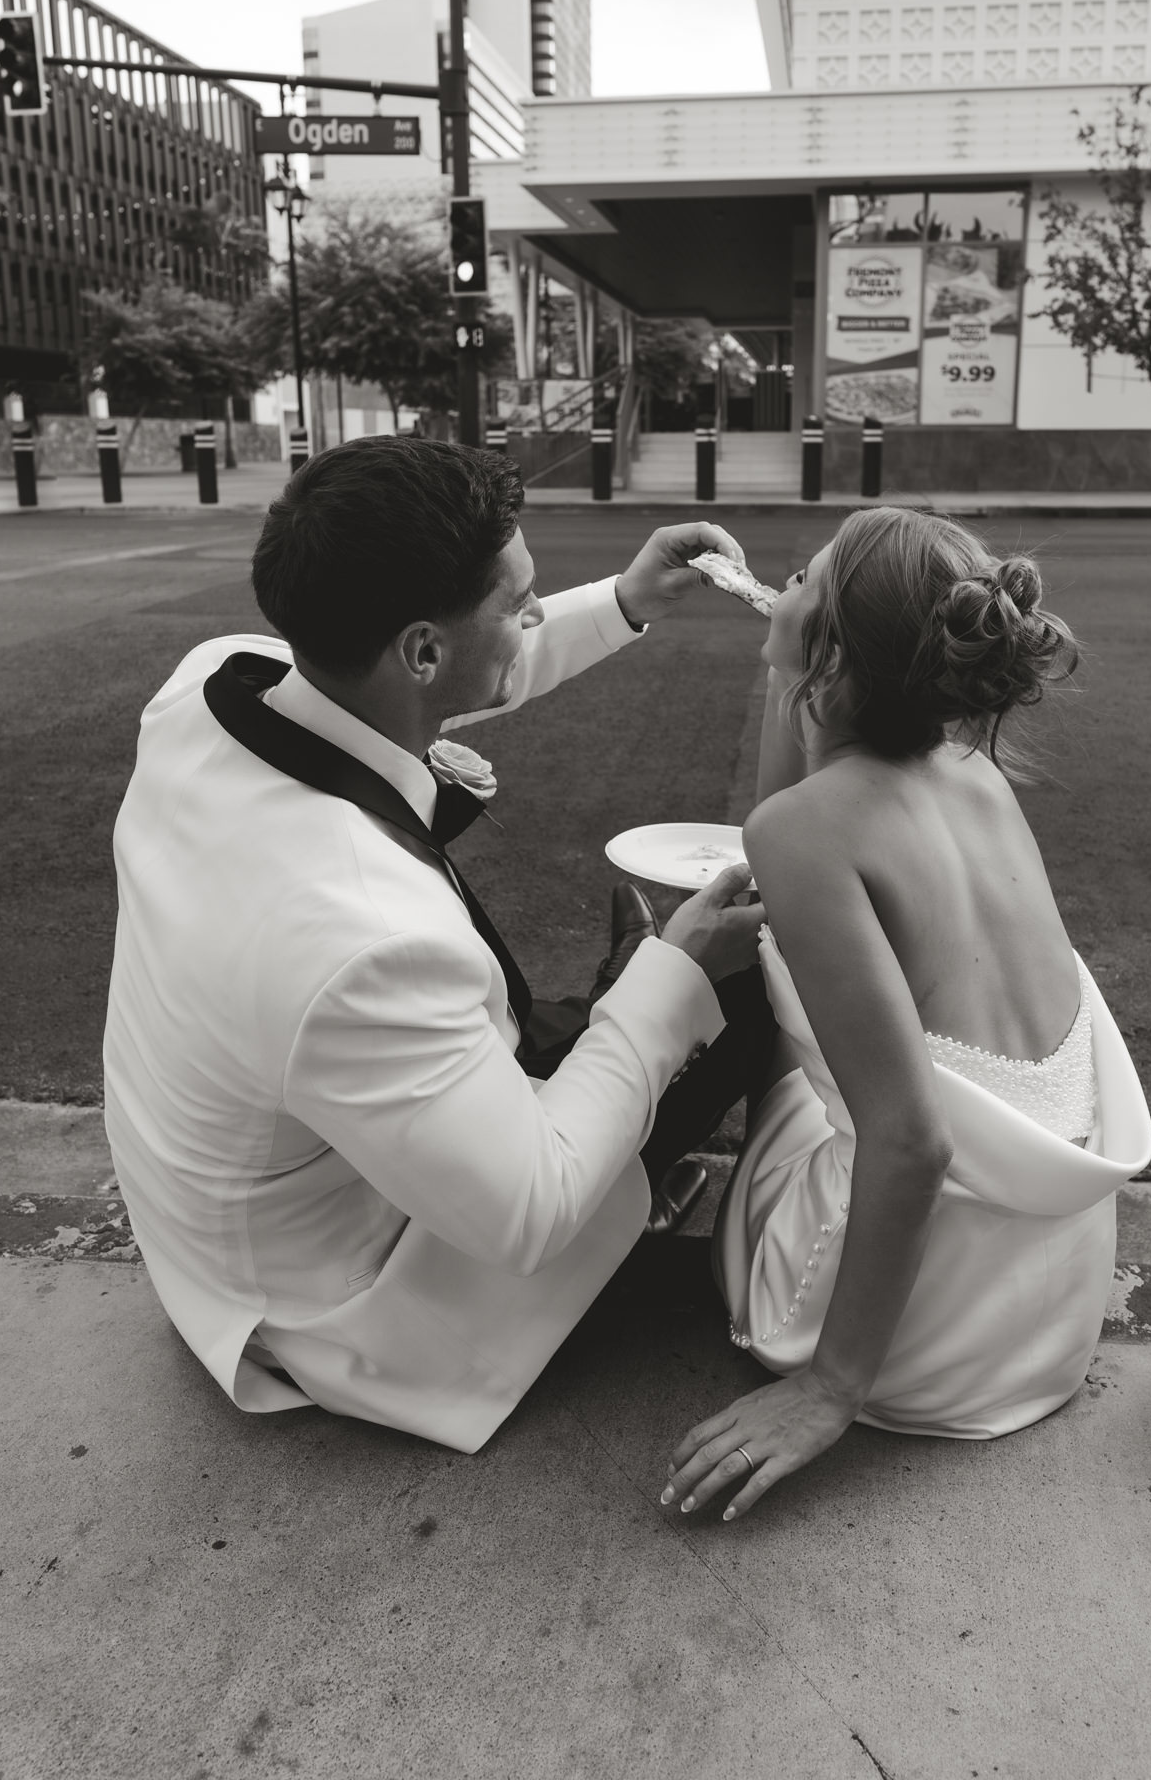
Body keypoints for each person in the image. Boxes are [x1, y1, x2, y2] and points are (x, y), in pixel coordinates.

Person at [104, 436, 773, 1455]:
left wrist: (630, 598)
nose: (533, 615)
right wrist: (678, 976)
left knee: (621, 1004)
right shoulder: (367, 937)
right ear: (420, 649)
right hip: (334, 1297)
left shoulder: (212, 684)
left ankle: (610, 997)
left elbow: (452, 664)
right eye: (519, 600)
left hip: (216, 1206)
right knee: (744, 989)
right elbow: (531, 1209)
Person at [661, 507, 1151, 1524]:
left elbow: (913, 1141)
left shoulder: (812, 829)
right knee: (802, 1018)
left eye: (801, 576)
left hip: (926, 1338)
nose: (780, 583)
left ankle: (803, 1332)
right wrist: (791, 660)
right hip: (1050, 1300)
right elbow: (775, 852)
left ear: (835, 651)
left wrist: (829, 1391)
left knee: (760, 1029)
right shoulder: (975, 773)